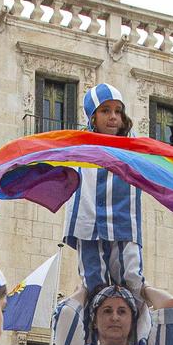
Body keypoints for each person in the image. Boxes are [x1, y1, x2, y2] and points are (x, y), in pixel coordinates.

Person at [63, 81, 143, 291]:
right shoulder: (76, 145)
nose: (113, 116)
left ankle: (139, 323)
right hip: (87, 221)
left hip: (123, 221)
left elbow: (166, 165)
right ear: (93, 117)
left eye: (118, 111)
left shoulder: (136, 148)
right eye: (105, 110)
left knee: (132, 279)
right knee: (93, 283)